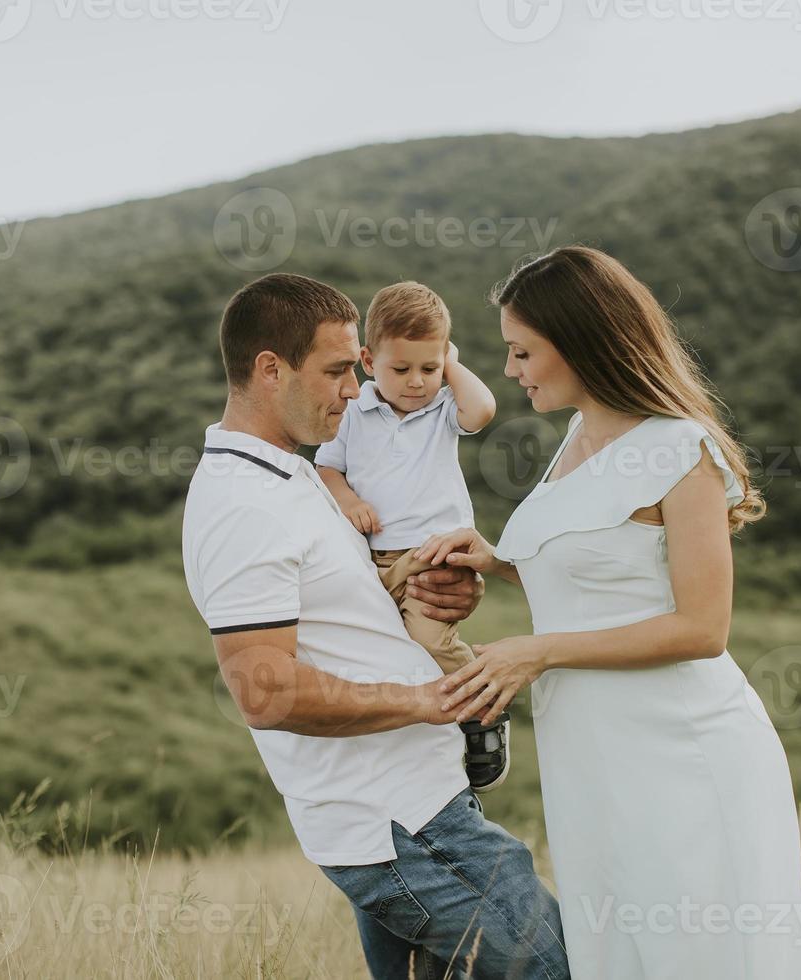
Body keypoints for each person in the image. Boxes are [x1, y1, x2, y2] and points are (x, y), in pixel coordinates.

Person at [418, 245, 801, 979]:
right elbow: (598, 571)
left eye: (522, 352)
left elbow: (703, 628)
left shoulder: (679, 448)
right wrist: (495, 557)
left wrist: (537, 652)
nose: (510, 370)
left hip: (684, 754)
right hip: (592, 755)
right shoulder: (577, 438)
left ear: (579, 343)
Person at [181, 272, 569, 979]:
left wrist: (445, 597)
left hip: (414, 803)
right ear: (271, 369)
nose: (355, 390)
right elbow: (263, 691)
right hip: (400, 822)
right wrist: (425, 700)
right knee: (556, 968)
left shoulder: (292, 475)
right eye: (336, 371)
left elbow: (352, 616)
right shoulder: (242, 502)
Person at [315, 281, 511, 792]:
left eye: (429, 368)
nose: (416, 382)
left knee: (431, 640)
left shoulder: (443, 407)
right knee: (386, 651)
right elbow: (327, 469)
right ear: (367, 360)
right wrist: (351, 502)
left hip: (435, 553)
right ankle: (409, 759)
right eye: (400, 369)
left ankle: (483, 710)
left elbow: (484, 410)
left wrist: (451, 364)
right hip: (373, 558)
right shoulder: (354, 414)